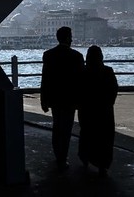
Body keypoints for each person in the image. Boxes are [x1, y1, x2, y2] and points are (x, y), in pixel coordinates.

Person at [40, 26, 85, 171]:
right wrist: (80, 100)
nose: (72, 39)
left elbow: (45, 80)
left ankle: (57, 155)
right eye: (70, 36)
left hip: (54, 98)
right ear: (67, 38)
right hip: (70, 99)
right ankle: (62, 157)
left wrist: (43, 100)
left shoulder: (48, 55)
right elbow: (80, 81)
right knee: (66, 129)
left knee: (57, 126)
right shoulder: (77, 56)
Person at [77, 45, 119, 177]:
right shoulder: (108, 71)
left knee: (87, 134)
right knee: (104, 137)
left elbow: (79, 92)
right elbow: (114, 89)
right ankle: (103, 164)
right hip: (104, 110)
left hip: (87, 110)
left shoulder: (83, 72)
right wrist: (109, 103)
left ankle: (85, 158)